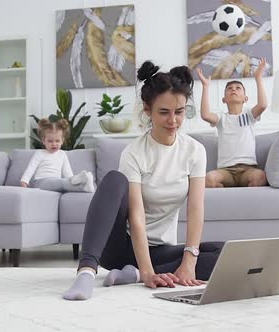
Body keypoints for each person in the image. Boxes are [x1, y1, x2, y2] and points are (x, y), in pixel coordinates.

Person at [63, 61, 224, 301]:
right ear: (148, 110)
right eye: (164, 112)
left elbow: (195, 207)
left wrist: (190, 260)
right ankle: (86, 272)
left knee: (224, 252)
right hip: (120, 248)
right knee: (114, 180)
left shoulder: (195, 151)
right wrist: (148, 270)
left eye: (179, 112)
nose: (173, 120)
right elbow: (136, 216)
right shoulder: (134, 153)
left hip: (161, 250)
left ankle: (134, 275)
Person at [197, 59, 269, 188]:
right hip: (226, 171)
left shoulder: (249, 115)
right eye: (229, 89)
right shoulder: (221, 119)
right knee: (209, 179)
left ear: (245, 98)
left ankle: (243, 196)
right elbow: (205, 115)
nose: (233, 90)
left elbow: (263, 105)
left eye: (238, 88)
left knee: (260, 177)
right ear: (224, 99)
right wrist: (206, 86)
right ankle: (227, 193)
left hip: (248, 169)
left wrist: (258, 77)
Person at [20, 118, 95, 193]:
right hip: (41, 182)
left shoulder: (62, 154)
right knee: (62, 182)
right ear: (43, 141)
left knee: (65, 183)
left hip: (57, 182)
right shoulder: (40, 153)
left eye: (57, 141)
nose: (54, 144)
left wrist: (71, 179)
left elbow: (67, 172)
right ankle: (82, 183)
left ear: (62, 140)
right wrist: (24, 181)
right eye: (50, 141)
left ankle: (85, 186)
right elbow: (31, 168)